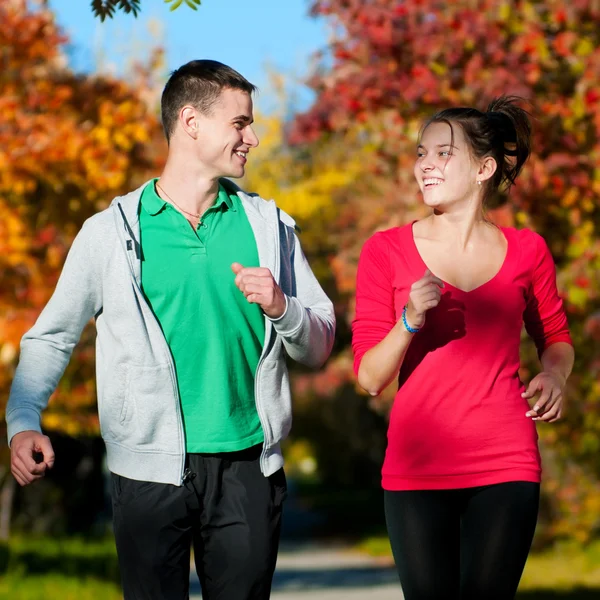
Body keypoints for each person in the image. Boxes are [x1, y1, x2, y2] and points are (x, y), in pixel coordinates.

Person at [6, 59, 335, 600]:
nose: (252, 137)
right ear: (191, 122)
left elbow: (320, 342)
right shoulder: (111, 233)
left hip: (248, 466)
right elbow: (52, 336)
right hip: (146, 469)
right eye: (240, 123)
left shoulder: (269, 226)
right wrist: (22, 420)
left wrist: (283, 308)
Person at [351, 96, 574, 600]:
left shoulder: (528, 251)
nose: (425, 165)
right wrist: (409, 320)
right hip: (418, 466)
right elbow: (368, 378)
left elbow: (556, 339)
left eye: (442, 153)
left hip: (506, 460)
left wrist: (555, 376)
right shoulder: (385, 250)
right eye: (421, 153)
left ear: (484, 168)